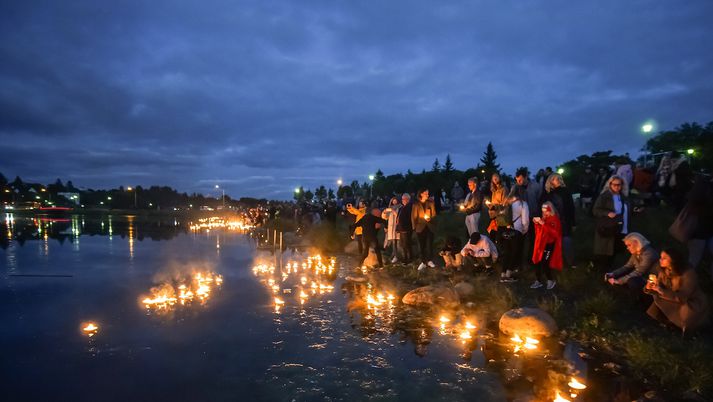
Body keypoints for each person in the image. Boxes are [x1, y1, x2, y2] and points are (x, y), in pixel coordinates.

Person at [645, 248, 710, 333]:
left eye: (664, 258)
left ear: (673, 260)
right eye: (661, 257)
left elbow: (683, 296)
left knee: (683, 317)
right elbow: (660, 287)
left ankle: (678, 328)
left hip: (689, 302)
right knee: (654, 309)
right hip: (671, 298)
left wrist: (661, 291)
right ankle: (669, 324)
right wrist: (650, 287)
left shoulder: (688, 273)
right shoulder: (664, 270)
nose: (660, 260)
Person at [593, 176, 630, 269]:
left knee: (616, 249)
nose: (617, 187)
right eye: (615, 184)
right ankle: (601, 269)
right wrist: (607, 213)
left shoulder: (623, 196)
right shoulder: (605, 196)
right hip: (609, 227)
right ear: (610, 184)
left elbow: (626, 209)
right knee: (607, 249)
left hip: (621, 227)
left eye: (619, 184)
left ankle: (610, 269)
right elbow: (595, 210)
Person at [543, 173, 576, 268]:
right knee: (552, 243)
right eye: (554, 179)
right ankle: (553, 262)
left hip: (565, 220)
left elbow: (571, 207)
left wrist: (573, 222)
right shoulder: (548, 194)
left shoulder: (566, 191)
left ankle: (570, 262)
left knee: (566, 241)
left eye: (558, 178)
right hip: (553, 221)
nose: (557, 180)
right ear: (550, 181)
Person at [531, 202, 562, 290]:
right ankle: (538, 280)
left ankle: (550, 280)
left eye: (546, 211)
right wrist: (536, 224)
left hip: (549, 244)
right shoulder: (544, 218)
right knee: (536, 261)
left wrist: (543, 223)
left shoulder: (554, 219)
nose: (544, 213)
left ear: (550, 210)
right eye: (543, 211)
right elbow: (538, 232)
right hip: (540, 244)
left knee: (545, 262)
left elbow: (555, 234)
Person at [500, 192, 529, 282]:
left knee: (507, 252)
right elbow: (525, 220)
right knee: (514, 252)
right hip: (517, 230)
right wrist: (524, 230)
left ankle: (503, 274)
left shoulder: (507, 204)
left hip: (506, 230)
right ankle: (509, 275)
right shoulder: (523, 204)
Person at [411, 188, 437, 271]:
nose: (427, 195)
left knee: (429, 244)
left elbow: (434, 214)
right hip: (420, 227)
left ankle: (429, 260)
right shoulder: (416, 205)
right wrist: (414, 228)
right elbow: (413, 217)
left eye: (428, 193)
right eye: (426, 193)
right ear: (421, 194)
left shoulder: (431, 203)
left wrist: (431, 219)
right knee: (421, 245)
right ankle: (423, 261)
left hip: (429, 227)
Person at [486, 173, 509, 240]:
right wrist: (490, 205)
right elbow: (493, 202)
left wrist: (495, 206)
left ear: (500, 178)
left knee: (500, 235)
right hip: (494, 215)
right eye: (493, 178)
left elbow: (504, 203)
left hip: (501, 215)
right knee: (492, 234)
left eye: (496, 177)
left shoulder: (504, 189)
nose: (495, 179)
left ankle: (501, 248)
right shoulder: (494, 190)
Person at [381, 197, 401, 263]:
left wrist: (394, 211)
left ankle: (396, 257)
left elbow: (398, 216)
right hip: (390, 228)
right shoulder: (389, 208)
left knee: (397, 243)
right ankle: (391, 256)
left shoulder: (400, 207)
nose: (394, 202)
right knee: (391, 243)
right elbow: (384, 217)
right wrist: (384, 212)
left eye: (395, 200)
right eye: (393, 201)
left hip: (397, 227)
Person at [395, 193, 414, 263]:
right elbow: (399, 217)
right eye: (402, 199)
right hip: (401, 228)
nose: (402, 200)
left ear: (408, 199)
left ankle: (408, 259)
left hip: (406, 228)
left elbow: (409, 218)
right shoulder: (402, 207)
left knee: (406, 244)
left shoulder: (410, 207)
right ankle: (405, 257)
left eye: (404, 199)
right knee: (403, 244)